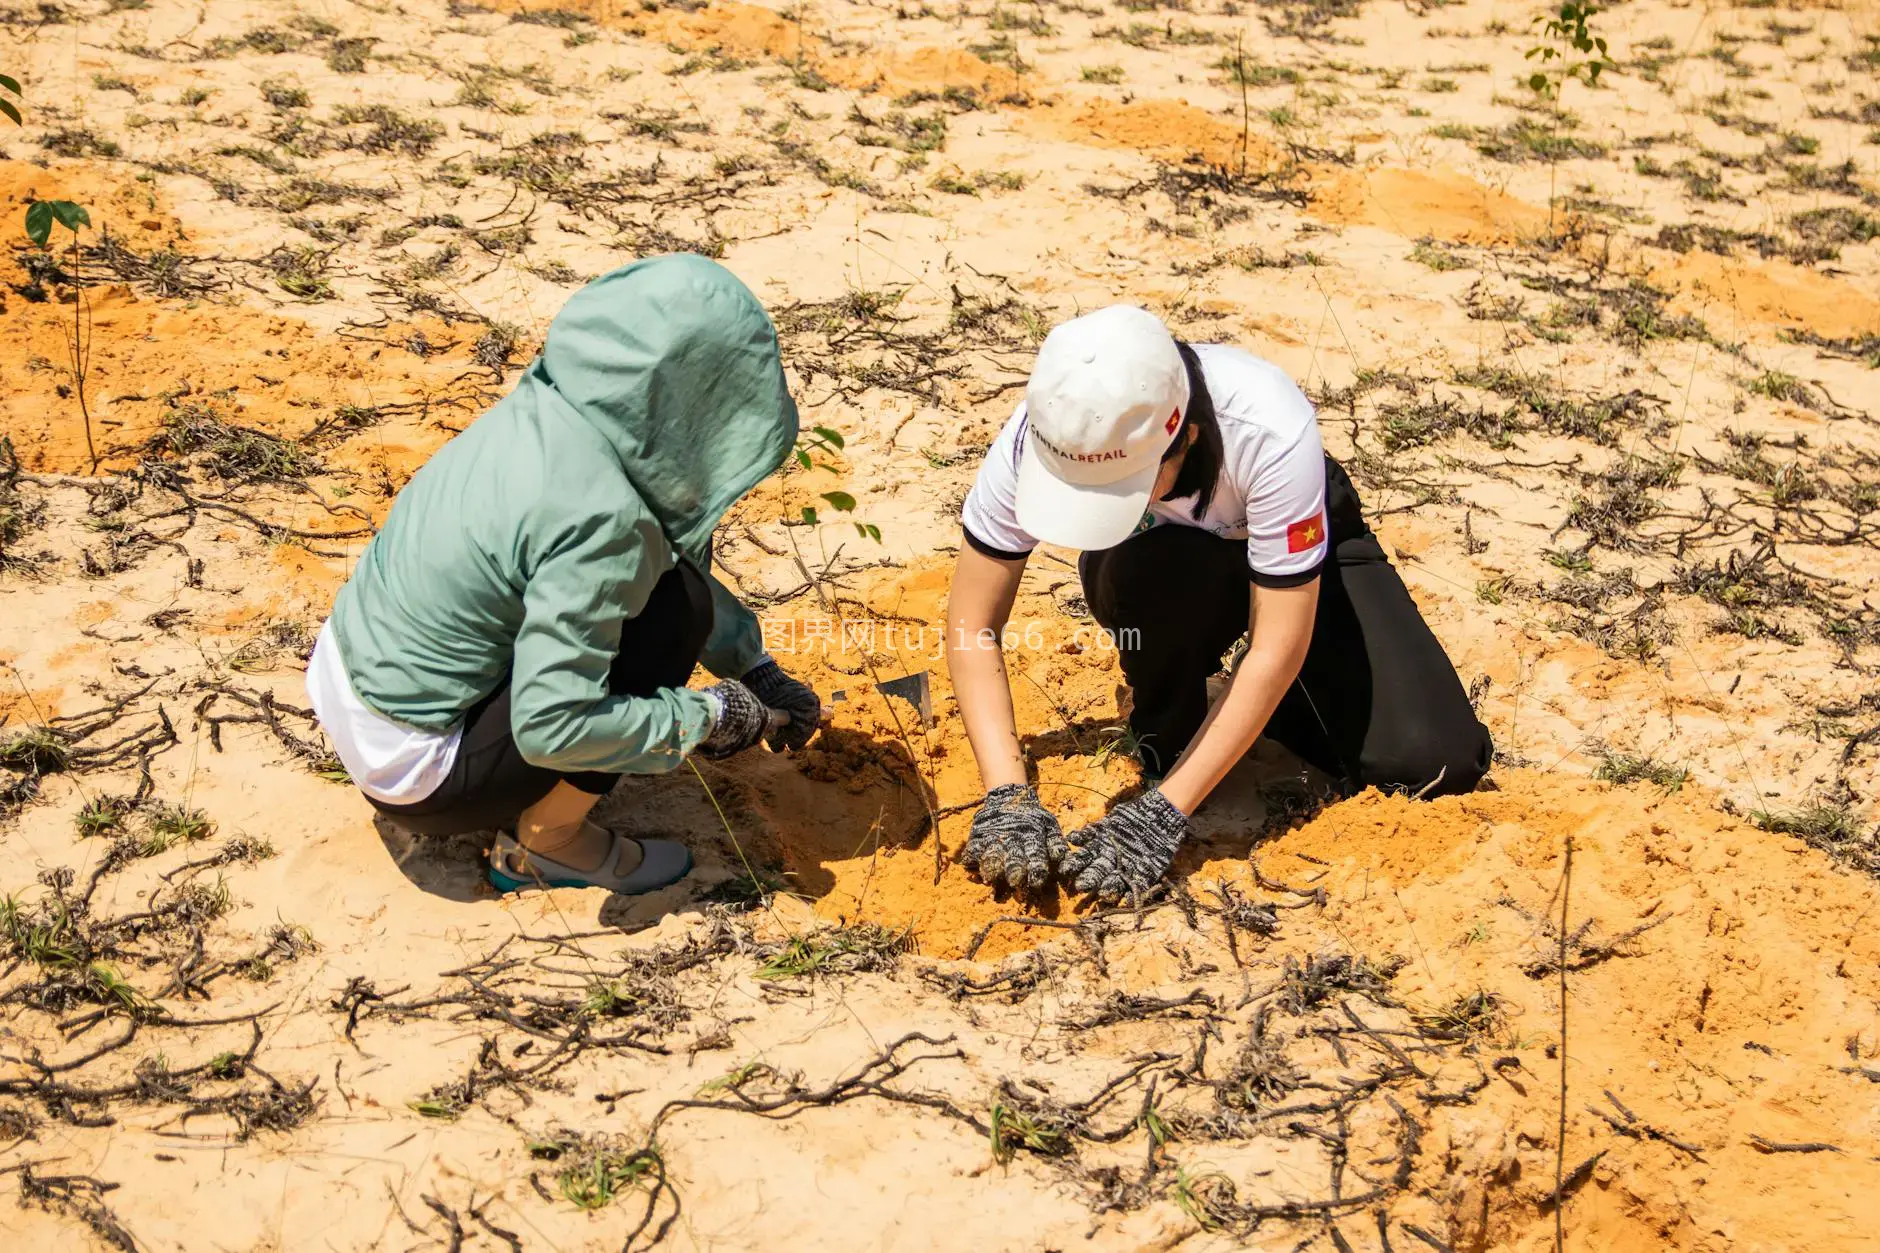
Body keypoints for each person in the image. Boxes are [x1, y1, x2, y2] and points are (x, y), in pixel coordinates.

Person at [307, 255, 823, 895]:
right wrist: (708, 717)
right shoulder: (603, 517)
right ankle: (548, 844)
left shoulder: (552, 406)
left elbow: (659, 558)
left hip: (350, 680)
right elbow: (553, 725)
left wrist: (751, 667)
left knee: (668, 593)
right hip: (415, 773)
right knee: (671, 620)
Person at [945, 305, 1492, 904]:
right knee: (1153, 573)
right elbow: (974, 626)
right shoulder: (1051, 429)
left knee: (1434, 762)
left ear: (1187, 439)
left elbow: (1276, 645)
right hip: (1167, 566)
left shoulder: (1268, 428)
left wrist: (1157, 821)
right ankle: (1174, 726)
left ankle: (1276, 705)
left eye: (1120, 486)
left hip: (1294, 553)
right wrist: (1006, 795)